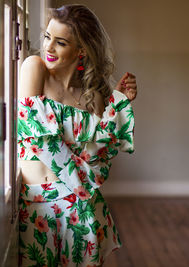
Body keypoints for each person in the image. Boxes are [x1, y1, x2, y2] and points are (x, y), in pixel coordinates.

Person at [17, 4, 137, 266]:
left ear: (81, 50)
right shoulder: (33, 68)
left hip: (83, 212)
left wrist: (117, 102)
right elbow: (40, 139)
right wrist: (83, 186)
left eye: (60, 42)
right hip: (39, 206)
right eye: (47, 37)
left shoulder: (92, 96)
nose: (48, 47)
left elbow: (100, 157)